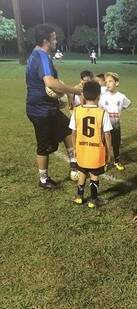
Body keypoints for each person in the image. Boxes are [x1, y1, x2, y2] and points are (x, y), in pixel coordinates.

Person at [26, 24, 82, 188]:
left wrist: (57, 100)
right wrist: (75, 90)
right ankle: (43, 179)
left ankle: (74, 164)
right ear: (46, 40)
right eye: (54, 38)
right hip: (41, 111)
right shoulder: (42, 56)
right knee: (44, 146)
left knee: (67, 130)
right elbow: (51, 83)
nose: (56, 41)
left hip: (46, 108)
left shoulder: (36, 54)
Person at [69, 81, 112, 208]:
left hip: (81, 149)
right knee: (94, 175)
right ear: (99, 95)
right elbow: (108, 134)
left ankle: (79, 197)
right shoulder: (102, 113)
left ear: (83, 95)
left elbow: (73, 132)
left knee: (82, 172)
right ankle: (93, 200)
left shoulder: (76, 111)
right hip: (96, 151)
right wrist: (109, 151)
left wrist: (75, 148)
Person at [99, 72, 131, 171]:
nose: (107, 84)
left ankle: (116, 161)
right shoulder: (103, 97)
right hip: (104, 125)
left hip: (116, 125)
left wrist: (118, 112)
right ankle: (104, 161)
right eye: (106, 82)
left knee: (116, 144)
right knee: (104, 143)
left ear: (116, 83)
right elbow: (99, 109)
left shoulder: (121, 96)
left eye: (110, 81)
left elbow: (128, 104)